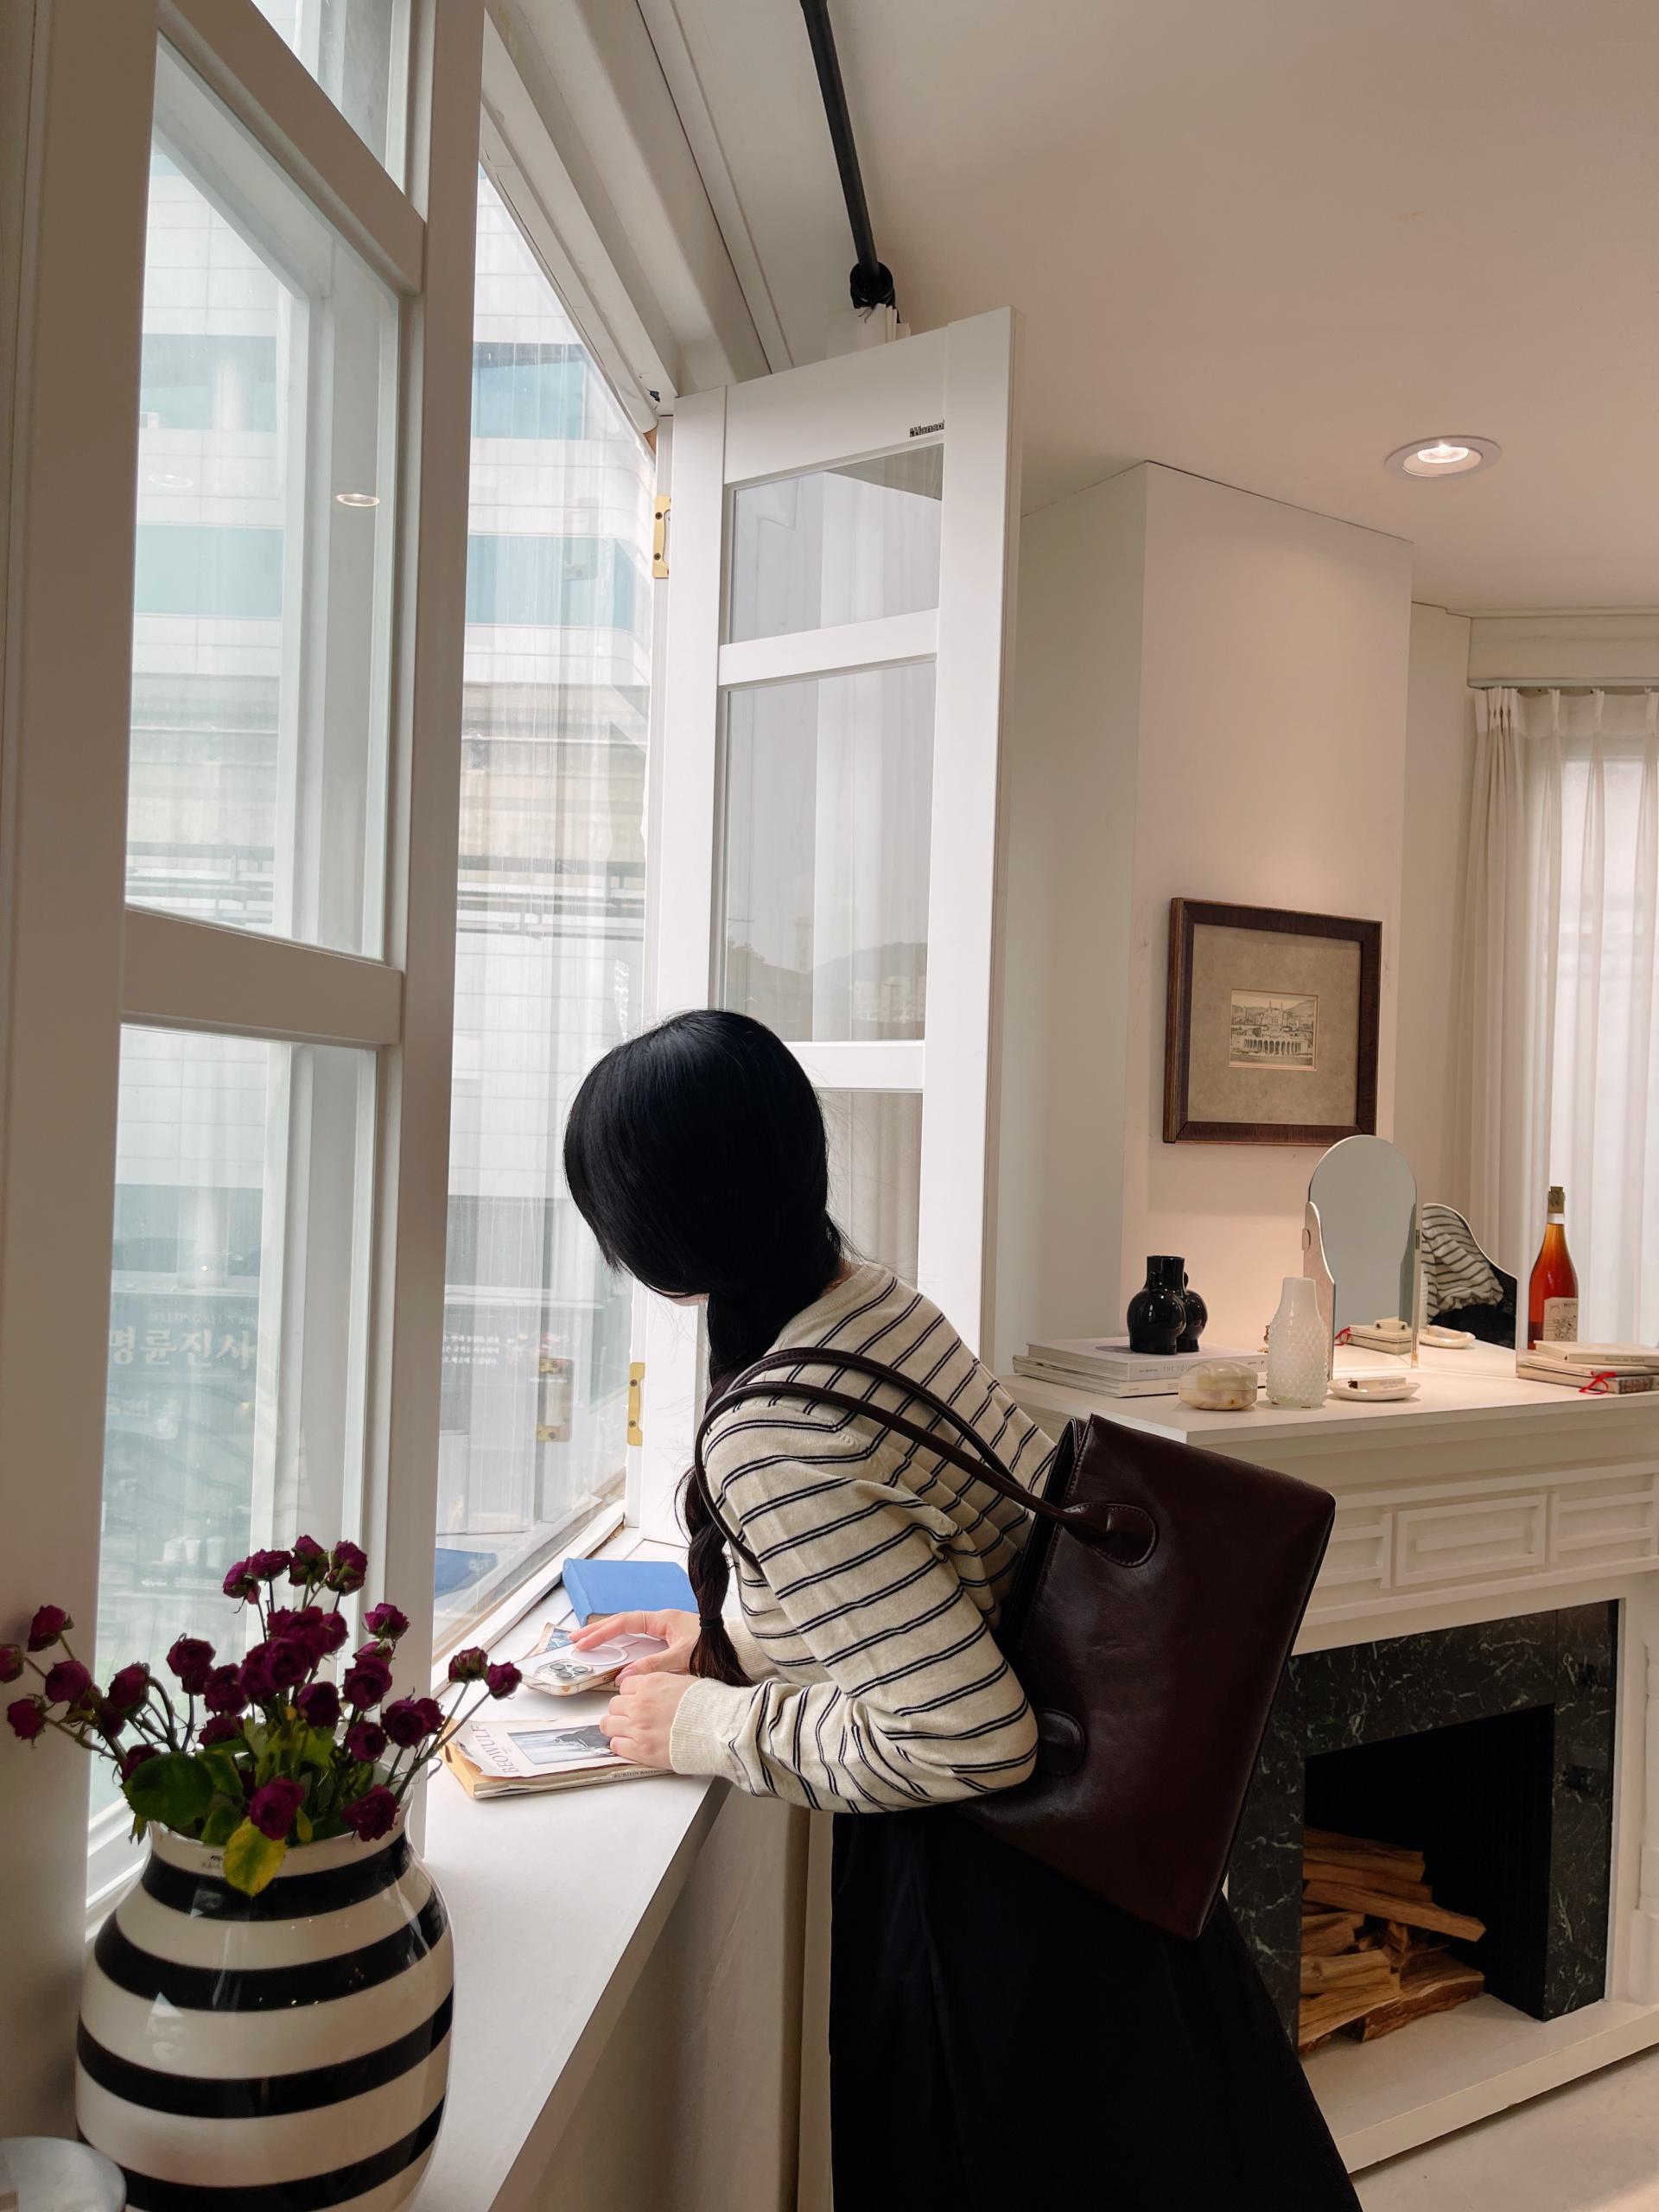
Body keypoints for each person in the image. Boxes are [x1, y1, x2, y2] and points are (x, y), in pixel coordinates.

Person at [563, 1007, 1360, 2209]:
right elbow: (937, 1571)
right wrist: (731, 1640)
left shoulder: (775, 1431)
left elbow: (970, 1737)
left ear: (660, 1242)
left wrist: (702, 1725)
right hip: (1093, 1885)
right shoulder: (868, 1302)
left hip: (999, 1920)